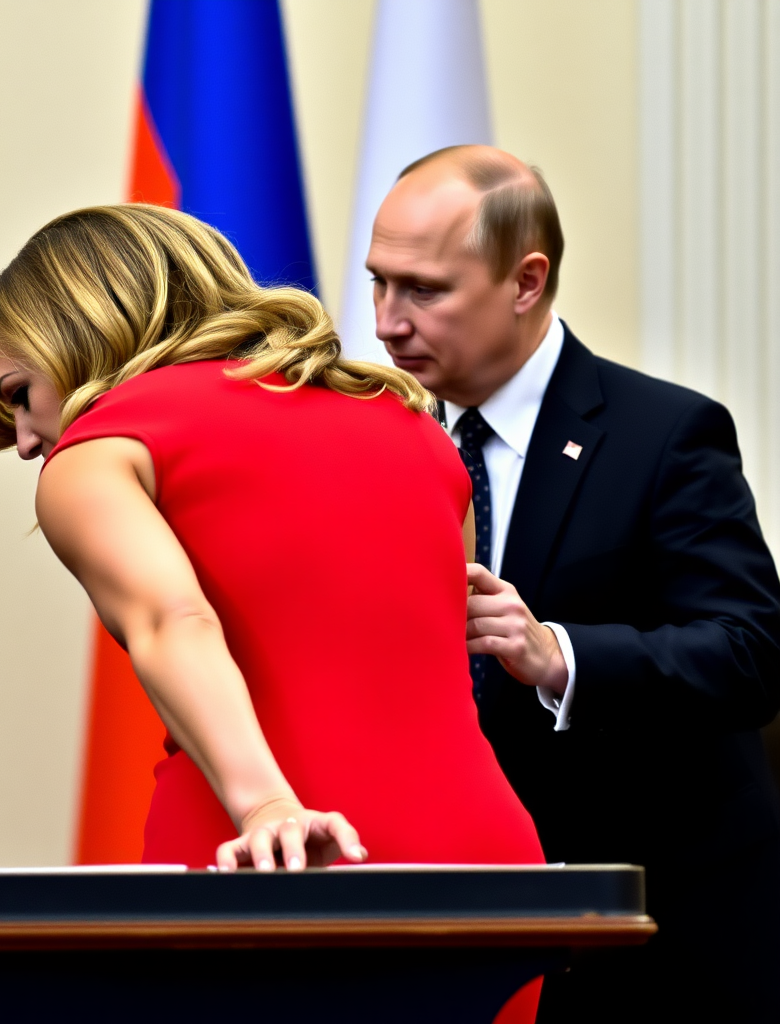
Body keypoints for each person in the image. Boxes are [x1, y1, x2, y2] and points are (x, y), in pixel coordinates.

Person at [0, 204, 544, 893]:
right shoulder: (413, 424)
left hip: (260, 853)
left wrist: (264, 805)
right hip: (486, 856)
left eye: (19, 395)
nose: (23, 441)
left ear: (77, 334)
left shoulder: (96, 455)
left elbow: (172, 620)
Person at [366, 144, 780, 1023]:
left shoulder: (665, 434)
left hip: (648, 940)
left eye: (425, 290)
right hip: (451, 932)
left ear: (526, 282)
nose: (386, 324)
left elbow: (751, 652)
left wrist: (561, 658)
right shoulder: (385, 443)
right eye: (379, 284)